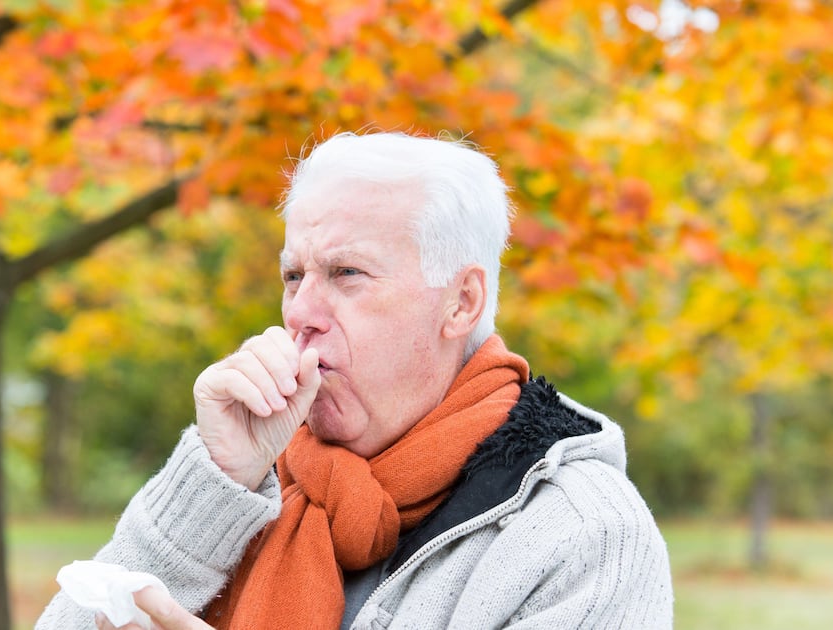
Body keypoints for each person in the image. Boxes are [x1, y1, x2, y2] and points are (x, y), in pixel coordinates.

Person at [36, 131, 674, 630]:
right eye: (293, 277)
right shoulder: (253, 474)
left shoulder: (582, 536)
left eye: (347, 275)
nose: (300, 315)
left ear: (461, 303)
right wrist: (214, 484)